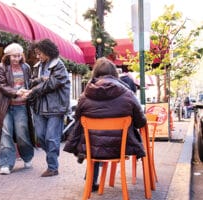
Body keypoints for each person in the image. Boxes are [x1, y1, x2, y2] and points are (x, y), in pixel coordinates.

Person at [74, 57, 147, 190]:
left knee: (95, 138)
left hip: (93, 148)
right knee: (99, 139)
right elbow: (141, 121)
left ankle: (91, 181)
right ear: (115, 74)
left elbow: (77, 118)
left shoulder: (85, 95)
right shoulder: (128, 93)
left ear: (95, 73)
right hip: (121, 147)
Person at [23, 39, 71, 177]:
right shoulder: (38, 66)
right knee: (41, 137)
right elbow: (36, 81)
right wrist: (37, 81)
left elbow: (52, 83)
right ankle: (52, 156)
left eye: (40, 53)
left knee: (51, 138)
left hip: (55, 108)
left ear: (48, 51)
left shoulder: (59, 65)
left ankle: (52, 167)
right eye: (36, 53)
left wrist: (34, 89)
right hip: (39, 107)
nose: (38, 56)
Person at [0, 43, 35, 175]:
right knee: (6, 133)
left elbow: (29, 82)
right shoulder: (1, 67)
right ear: (8, 55)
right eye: (14, 56)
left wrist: (30, 90)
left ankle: (27, 157)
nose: (17, 58)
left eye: (19, 55)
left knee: (22, 133)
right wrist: (16, 92)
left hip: (21, 105)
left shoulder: (26, 67)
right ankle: (5, 164)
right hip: (5, 106)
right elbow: (1, 84)